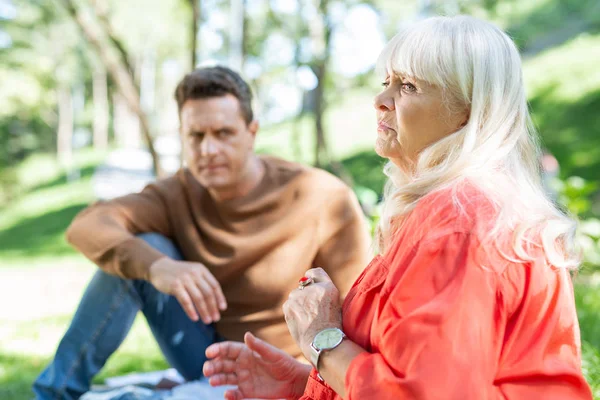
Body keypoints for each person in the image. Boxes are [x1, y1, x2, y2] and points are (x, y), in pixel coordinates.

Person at [203, 16, 594, 400]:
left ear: (467, 111)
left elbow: (423, 393)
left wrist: (322, 340)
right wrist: (305, 381)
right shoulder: (458, 209)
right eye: (386, 82)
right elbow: (418, 368)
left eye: (408, 86)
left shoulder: (462, 221)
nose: (380, 100)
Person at [33, 66, 371, 400]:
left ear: (251, 132)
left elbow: (358, 315)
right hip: (208, 358)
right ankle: (53, 393)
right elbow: (87, 225)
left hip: (284, 367)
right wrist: (158, 267)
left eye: (223, 133)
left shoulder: (322, 196)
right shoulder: (176, 192)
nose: (208, 150)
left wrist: (308, 376)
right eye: (196, 136)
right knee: (144, 249)